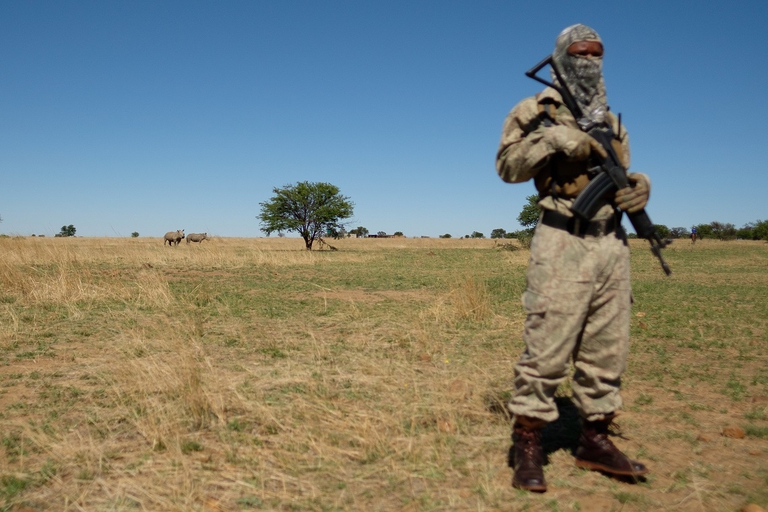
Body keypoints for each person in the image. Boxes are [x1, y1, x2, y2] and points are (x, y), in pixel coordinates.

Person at [495, 24, 651, 492]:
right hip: (562, 240)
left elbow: (623, 174)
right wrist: (555, 141)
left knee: (608, 350)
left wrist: (641, 185)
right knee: (546, 347)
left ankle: (594, 440)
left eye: (597, 53)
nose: (589, 60)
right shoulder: (534, 110)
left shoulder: (612, 120)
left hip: (611, 245)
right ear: (561, 57)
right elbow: (506, 168)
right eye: (580, 53)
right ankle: (528, 443)